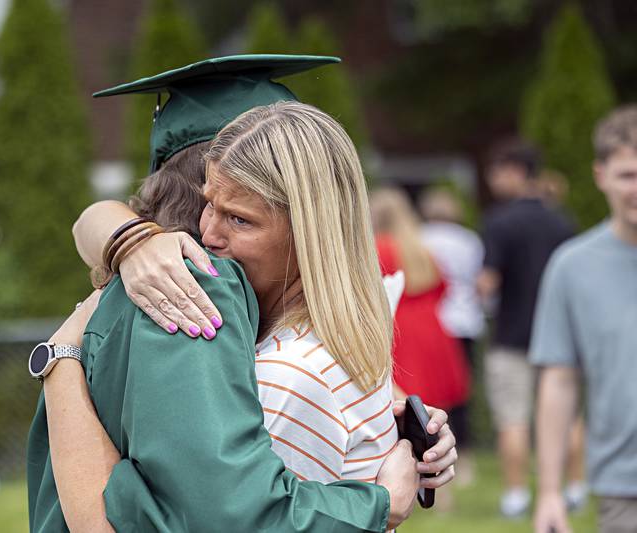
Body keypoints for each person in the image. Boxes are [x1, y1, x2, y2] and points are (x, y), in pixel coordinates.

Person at [28, 56, 457, 532]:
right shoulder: (310, 321)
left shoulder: (243, 346)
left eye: (239, 216)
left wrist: (62, 357)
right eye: (210, 204)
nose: (209, 234)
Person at [532, 105, 637, 533]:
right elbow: (559, 381)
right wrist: (550, 492)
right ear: (601, 176)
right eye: (628, 174)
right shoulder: (572, 266)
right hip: (623, 491)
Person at [477, 139, 580, 518]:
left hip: (511, 335)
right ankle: (574, 488)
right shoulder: (563, 221)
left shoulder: (499, 222)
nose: (491, 180)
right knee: (567, 415)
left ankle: (516, 495)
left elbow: (487, 282)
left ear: (517, 172)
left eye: (497, 171)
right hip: (559, 336)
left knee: (513, 419)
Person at [369, 188, 470, 414]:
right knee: (434, 406)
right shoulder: (420, 248)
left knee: (401, 403)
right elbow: (442, 287)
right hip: (432, 327)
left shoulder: (378, 248)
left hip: (398, 329)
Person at [419, 187, 484, 478]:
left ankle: (431, 450)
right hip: (465, 319)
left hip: (434, 320)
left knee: (431, 392)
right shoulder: (469, 240)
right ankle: (465, 457)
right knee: (460, 392)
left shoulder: (420, 238)